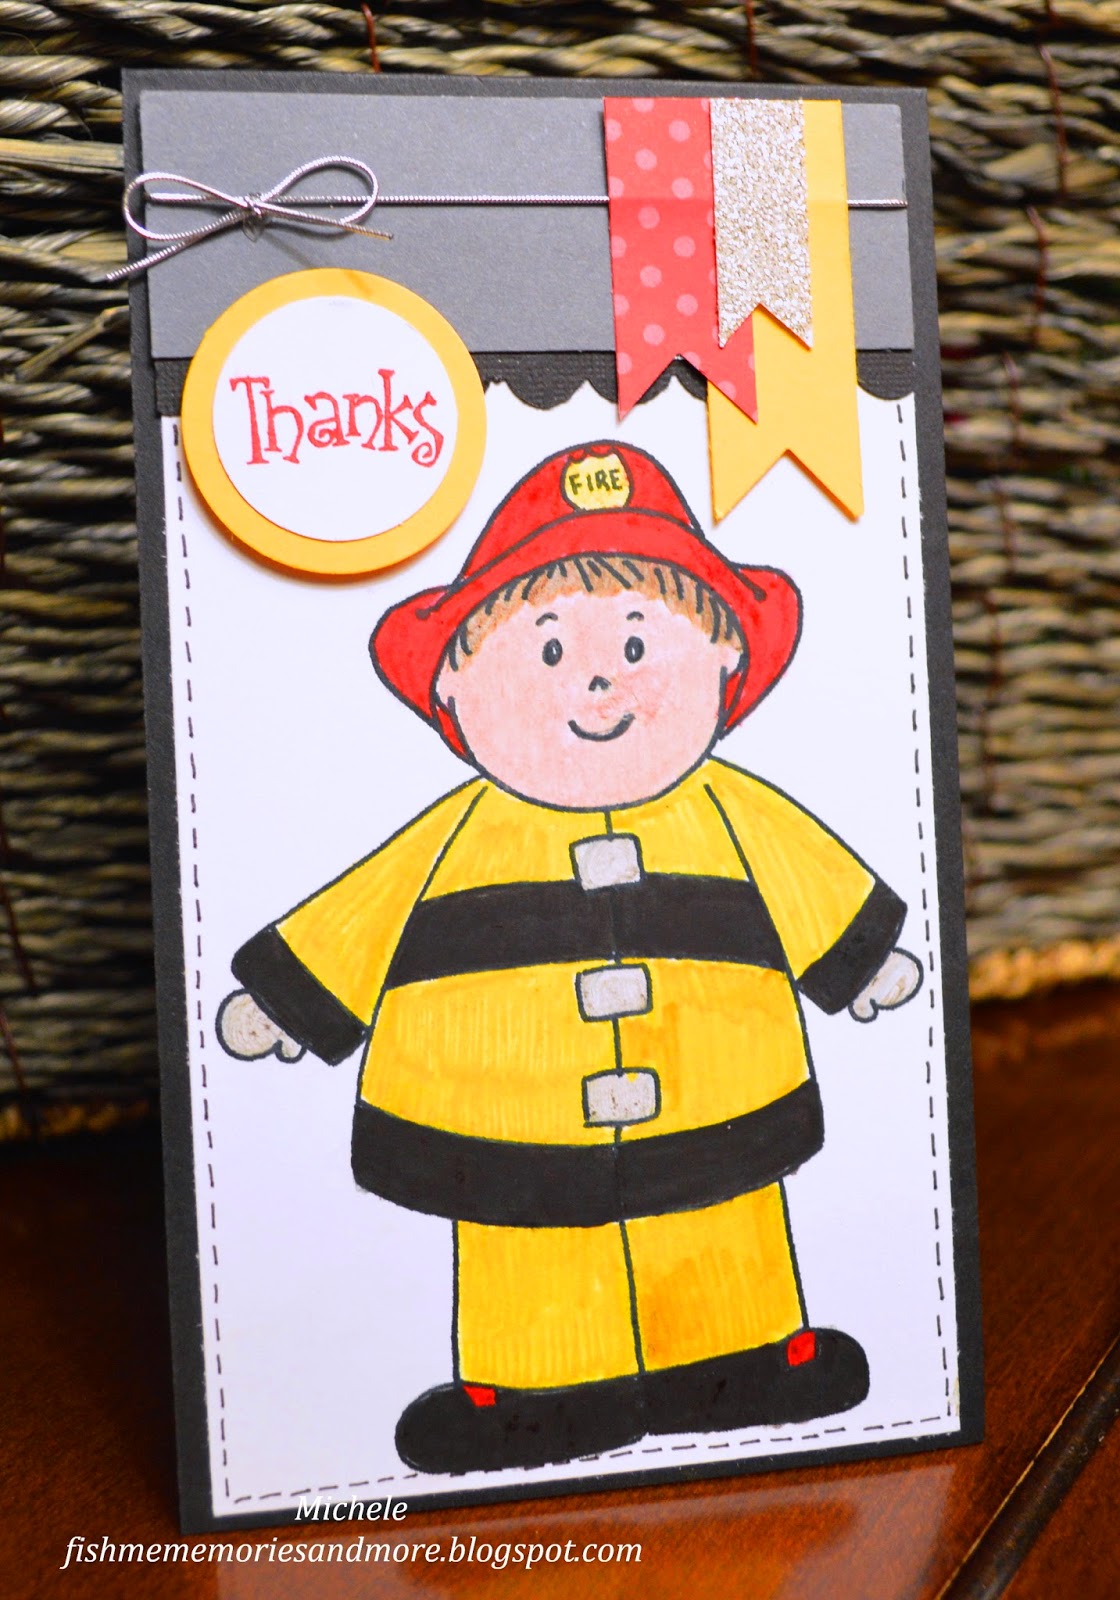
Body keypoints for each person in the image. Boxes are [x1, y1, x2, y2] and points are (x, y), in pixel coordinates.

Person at [217, 440, 921, 1474]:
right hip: (505, 1118)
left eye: (637, 643)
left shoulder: (737, 811)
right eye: (547, 651)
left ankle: (741, 1360)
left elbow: (812, 880)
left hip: (714, 1102)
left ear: (724, 654)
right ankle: (528, 1394)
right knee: (527, 1249)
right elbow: (356, 916)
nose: (596, 679)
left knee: (719, 1229)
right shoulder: (452, 834)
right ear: (455, 678)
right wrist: (291, 1000)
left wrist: (859, 964)